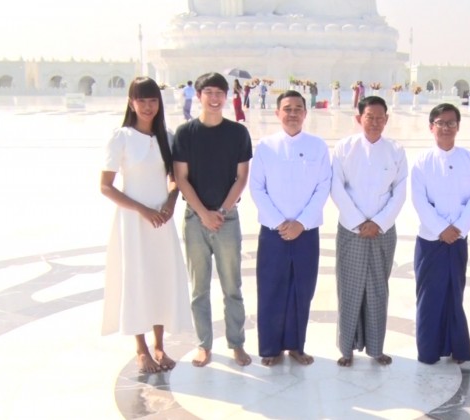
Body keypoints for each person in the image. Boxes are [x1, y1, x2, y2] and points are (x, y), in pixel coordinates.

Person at [100, 76, 192, 374]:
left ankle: (159, 345)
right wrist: (143, 210)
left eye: (153, 100)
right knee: (137, 278)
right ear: (131, 103)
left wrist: (170, 202)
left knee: (160, 278)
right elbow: (106, 186)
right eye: (142, 100)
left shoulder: (167, 136)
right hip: (134, 221)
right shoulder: (121, 137)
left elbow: (175, 179)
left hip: (161, 221)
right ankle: (141, 348)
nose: (148, 106)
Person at [173, 72, 253, 367]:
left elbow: (241, 177)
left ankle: (237, 343)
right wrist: (204, 214)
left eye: (220, 92)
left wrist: (222, 211)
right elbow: (181, 178)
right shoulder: (185, 133)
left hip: (226, 218)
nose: (215, 98)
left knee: (232, 286)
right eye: (209, 92)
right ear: (199, 95)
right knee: (199, 288)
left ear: (226, 96)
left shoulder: (238, 133)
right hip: (195, 219)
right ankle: (204, 344)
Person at [249, 90, 332, 366]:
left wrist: (302, 223)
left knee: (301, 290)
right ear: (277, 113)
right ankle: (270, 348)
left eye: (298, 109)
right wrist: (279, 222)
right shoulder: (266, 146)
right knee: (271, 289)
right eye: (287, 109)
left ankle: (296, 345)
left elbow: (323, 187)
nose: (293, 114)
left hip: (306, 232)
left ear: (305, 113)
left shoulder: (318, 146)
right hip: (273, 232)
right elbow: (257, 188)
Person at [330, 96, 408, 367]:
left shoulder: (395, 150)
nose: (374, 122)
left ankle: (376, 348)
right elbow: (336, 187)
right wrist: (357, 221)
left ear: (387, 119)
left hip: (382, 231)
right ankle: (346, 348)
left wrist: (379, 222)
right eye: (369, 117)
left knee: (377, 289)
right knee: (349, 288)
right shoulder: (344, 148)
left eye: (379, 118)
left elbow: (399, 191)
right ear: (358, 118)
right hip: (351, 230)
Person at [410, 103, 470, 364]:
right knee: (430, 297)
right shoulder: (422, 162)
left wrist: (459, 228)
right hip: (431, 240)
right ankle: (428, 351)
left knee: (454, 293)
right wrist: (442, 229)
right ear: (431, 127)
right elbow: (419, 200)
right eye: (440, 123)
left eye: (451, 123)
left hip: (458, 239)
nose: (446, 128)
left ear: (458, 126)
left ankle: (456, 348)